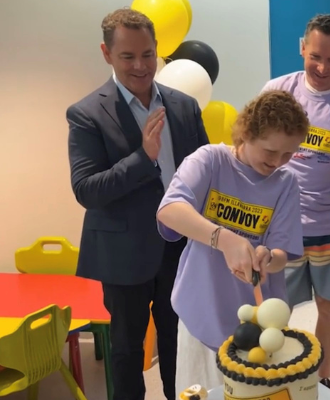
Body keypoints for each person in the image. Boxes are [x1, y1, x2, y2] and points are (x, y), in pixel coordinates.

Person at [66, 8, 209, 400]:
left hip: (180, 249)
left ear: (158, 50)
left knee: (180, 344)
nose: (140, 65)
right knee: (127, 352)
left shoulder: (183, 106)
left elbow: (205, 174)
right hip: (122, 254)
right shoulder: (86, 113)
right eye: (127, 56)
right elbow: (87, 189)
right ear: (106, 53)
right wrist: (143, 158)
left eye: (147, 54)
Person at [156, 90, 307, 392]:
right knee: (201, 390)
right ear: (247, 134)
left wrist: (268, 257)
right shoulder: (210, 161)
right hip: (202, 307)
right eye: (270, 151)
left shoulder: (286, 182)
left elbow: (281, 253)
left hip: (256, 319)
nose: (278, 161)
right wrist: (223, 238)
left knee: (252, 392)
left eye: (288, 154)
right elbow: (170, 210)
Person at [260, 14, 330, 391]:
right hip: (280, 226)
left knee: (329, 307)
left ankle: (321, 380)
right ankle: (279, 374)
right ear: (303, 47)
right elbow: (252, 154)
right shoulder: (276, 92)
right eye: (315, 55)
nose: (321, 67)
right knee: (274, 310)